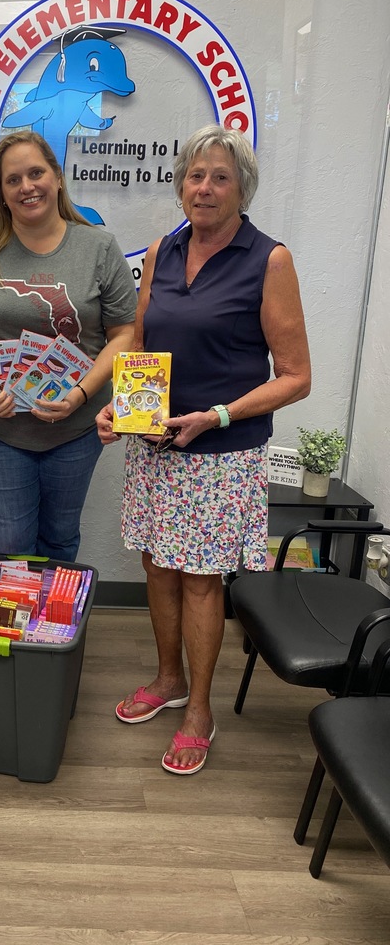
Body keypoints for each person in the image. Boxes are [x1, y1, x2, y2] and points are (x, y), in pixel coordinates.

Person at [96, 124, 311, 775]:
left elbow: (296, 376)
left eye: (220, 176)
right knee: (158, 569)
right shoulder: (164, 249)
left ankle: (200, 712)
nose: (205, 187)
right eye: (195, 175)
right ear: (180, 184)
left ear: (242, 188)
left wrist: (214, 416)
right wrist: (118, 405)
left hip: (222, 452)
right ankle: (168, 682)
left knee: (199, 582)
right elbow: (139, 338)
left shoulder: (268, 259)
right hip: (157, 444)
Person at [0, 131, 138, 561]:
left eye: (36, 173)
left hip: (76, 429)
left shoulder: (99, 248)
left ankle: (54, 630)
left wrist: (82, 393)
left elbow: (125, 334)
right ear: (1, 193)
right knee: (10, 547)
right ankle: (16, 631)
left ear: (58, 177)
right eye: (13, 180)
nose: (27, 186)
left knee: (60, 541)